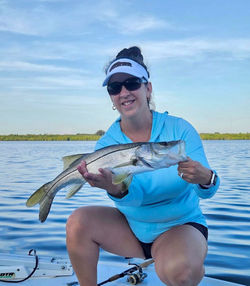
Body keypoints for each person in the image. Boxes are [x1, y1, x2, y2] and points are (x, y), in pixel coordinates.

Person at [66, 46, 220, 286]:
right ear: (111, 98)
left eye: (132, 83)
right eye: (115, 87)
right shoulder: (107, 143)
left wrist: (206, 178)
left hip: (180, 226)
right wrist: (116, 190)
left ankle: (183, 260)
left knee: (181, 272)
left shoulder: (179, 130)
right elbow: (134, 199)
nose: (124, 92)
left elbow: (207, 192)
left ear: (148, 88)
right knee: (78, 222)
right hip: (131, 228)